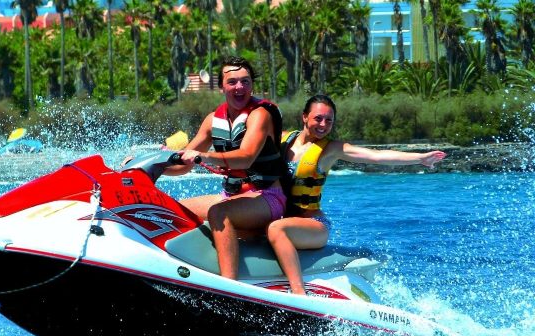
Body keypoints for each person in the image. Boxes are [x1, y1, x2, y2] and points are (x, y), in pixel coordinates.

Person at [269, 94, 447, 295]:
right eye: (318, 118)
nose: (323, 124)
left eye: (329, 120)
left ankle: (299, 293)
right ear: (304, 117)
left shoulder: (331, 149)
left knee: (277, 229)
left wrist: (421, 158)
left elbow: (376, 156)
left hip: (313, 225)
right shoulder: (282, 139)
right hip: (281, 216)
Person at [165, 56, 288, 280]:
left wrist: (203, 156)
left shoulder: (260, 115)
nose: (240, 87)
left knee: (219, 212)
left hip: (267, 197)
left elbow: (246, 157)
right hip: (231, 196)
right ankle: (177, 266)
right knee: (171, 209)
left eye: (245, 81)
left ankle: (228, 285)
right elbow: (182, 166)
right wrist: (154, 164)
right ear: (221, 86)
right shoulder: (213, 120)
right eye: (232, 82)